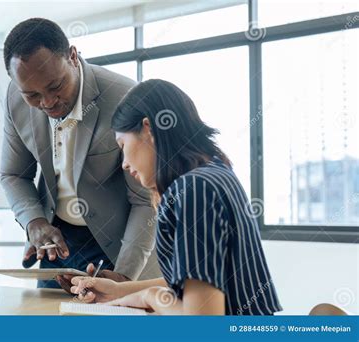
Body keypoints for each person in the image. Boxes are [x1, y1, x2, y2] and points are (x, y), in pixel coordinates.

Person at [70, 79, 283, 315]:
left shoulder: (193, 191)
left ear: (148, 128)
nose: (125, 164)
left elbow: (201, 324)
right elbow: (193, 285)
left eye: (123, 145)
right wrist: (119, 290)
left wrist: (148, 296)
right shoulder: (215, 173)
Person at [0, 18, 160, 289]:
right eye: (33, 95)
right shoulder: (16, 98)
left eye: (55, 86)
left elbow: (145, 201)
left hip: (120, 247)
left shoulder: (126, 97)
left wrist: (123, 279)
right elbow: (14, 174)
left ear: (72, 57)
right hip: (57, 242)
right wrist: (35, 222)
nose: (47, 102)